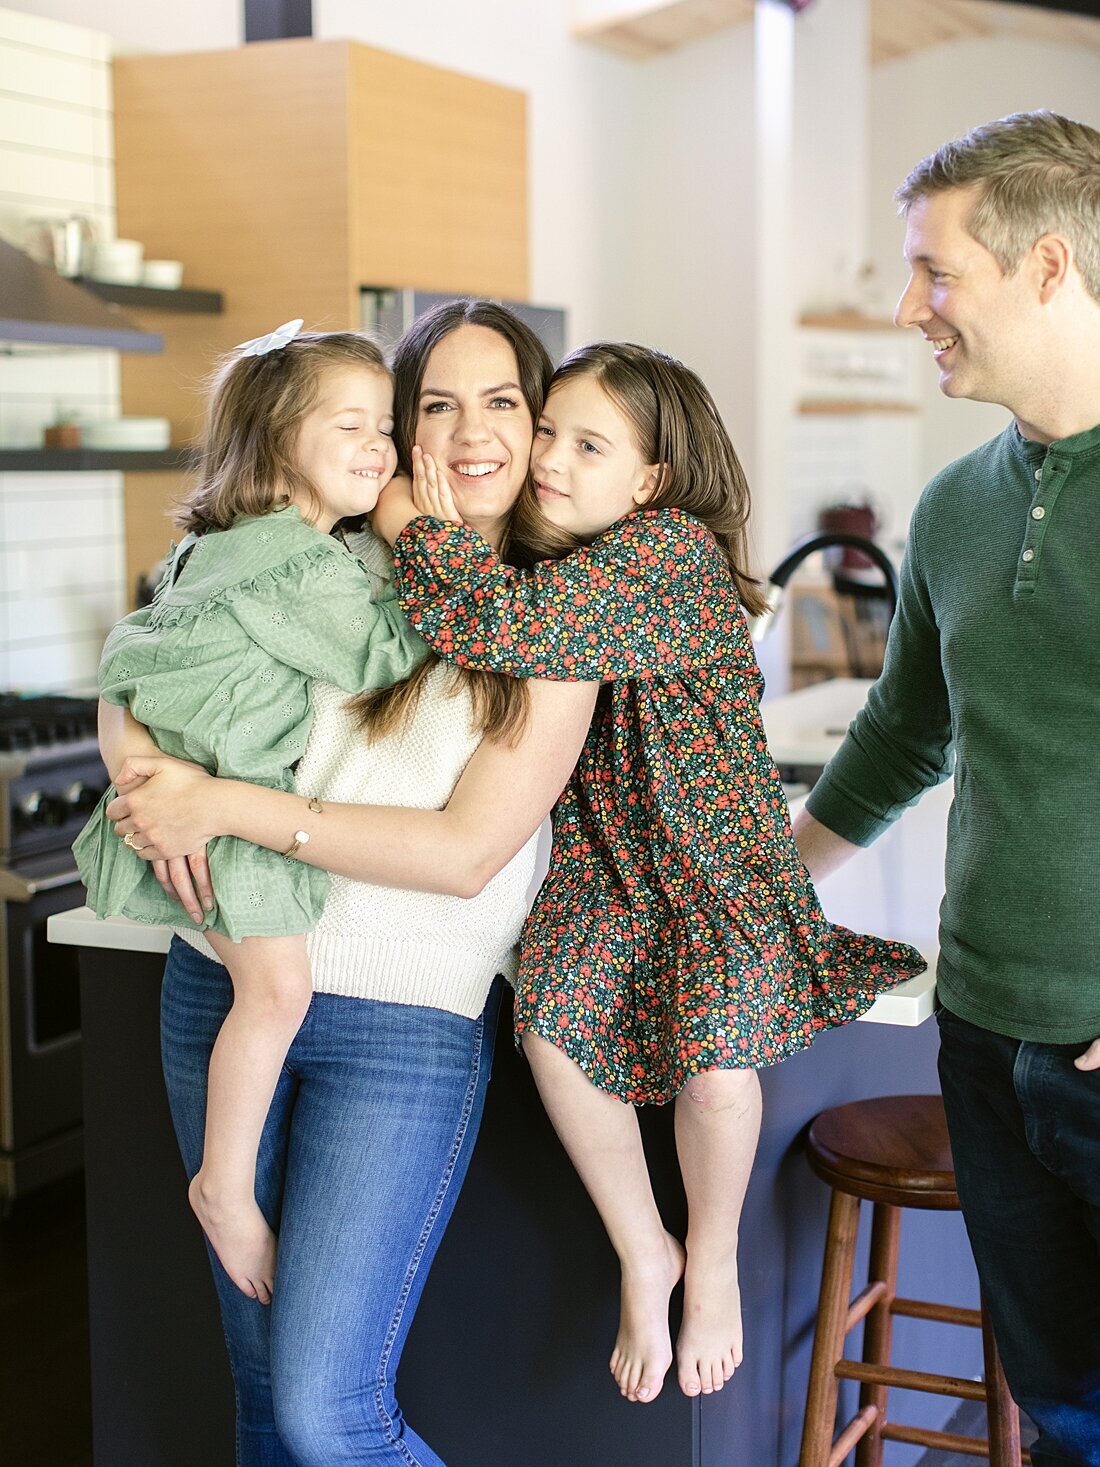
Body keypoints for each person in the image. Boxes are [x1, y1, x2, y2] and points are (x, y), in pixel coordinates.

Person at [381, 340, 925, 1406]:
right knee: (549, 1030)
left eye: (587, 444)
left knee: (717, 1070)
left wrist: (411, 520)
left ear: (650, 481)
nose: (548, 457)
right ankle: (645, 1249)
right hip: (606, 871)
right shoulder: (565, 560)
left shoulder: (664, 554)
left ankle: (708, 1254)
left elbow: (502, 627)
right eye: (547, 433)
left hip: (711, 870)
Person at [101, 299, 598, 1467]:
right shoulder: (312, 544)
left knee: (329, 1415)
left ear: (535, 427)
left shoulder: (559, 618)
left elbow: (463, 853)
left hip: (399, 1027)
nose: (466, 432)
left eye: (500, 403)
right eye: (433, 404)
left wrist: (218, 806)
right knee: (265, 1395)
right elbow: (151, 654)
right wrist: (134, 761)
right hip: (220, 983)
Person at [788, 111, 1100, 1467]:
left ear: (1045, 266)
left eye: (937, 271)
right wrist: (769, 885)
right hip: (980, 1026)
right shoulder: (959, 502)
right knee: (1061, 1392)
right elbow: (906, 727)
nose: (915, 305)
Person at [75, 323, 428, 1305]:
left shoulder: (212, 550)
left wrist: (130, 761)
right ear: (277, 443)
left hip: (180, 797)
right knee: (276, 995)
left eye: (387, 429)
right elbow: (381, 658)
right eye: (351, 427)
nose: (381, 449)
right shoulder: (295, 566)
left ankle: (224, 1181)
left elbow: (125, 657)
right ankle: (222, 1188)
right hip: (228, 818)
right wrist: (418, 541)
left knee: (261, 994)